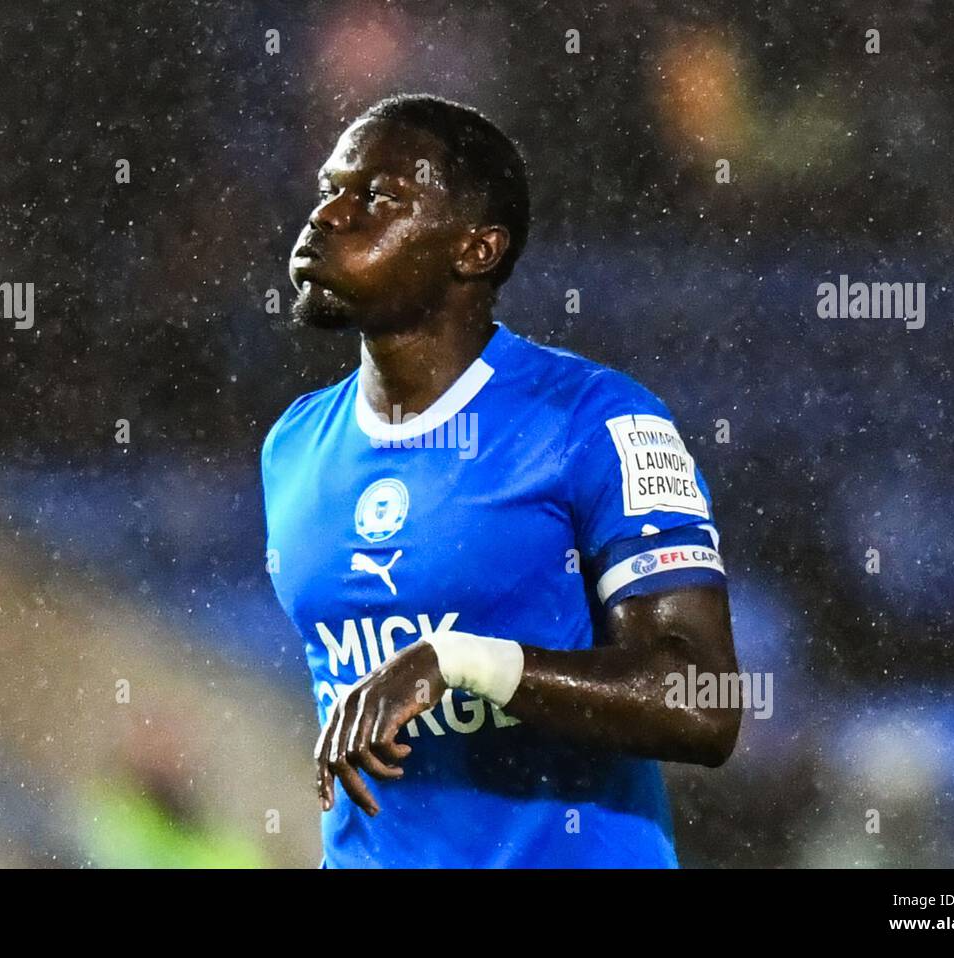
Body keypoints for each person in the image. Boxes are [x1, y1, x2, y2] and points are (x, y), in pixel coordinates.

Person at [262, 93, 739, 867]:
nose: (329, 216)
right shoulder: (293, 445)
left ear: (475, 250)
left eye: (378, 197)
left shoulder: (597, 420)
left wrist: (463, 662)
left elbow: (703, 704)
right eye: (328, 190)